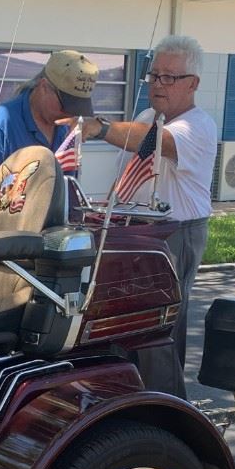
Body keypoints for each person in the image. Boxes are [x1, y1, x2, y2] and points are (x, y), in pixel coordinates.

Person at [77, 34, 218, 372]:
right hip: (132, 230)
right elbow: (129, 171)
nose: (158, 83)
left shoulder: (197, 125)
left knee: (161, 323)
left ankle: (165, 392)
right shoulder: (145, 115)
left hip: (176, 234)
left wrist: (98, 128)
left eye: (169, 77)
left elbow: (157, 142)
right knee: (125, 319)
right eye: (154, 75)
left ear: (193, 83)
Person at [0, 50, 99, 203]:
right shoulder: (4, 123)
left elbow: (68, 185)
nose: (70, 113)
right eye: (66, 105)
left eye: (77, 108)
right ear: (44, 87)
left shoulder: (67, 124)